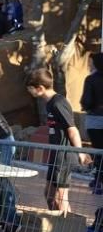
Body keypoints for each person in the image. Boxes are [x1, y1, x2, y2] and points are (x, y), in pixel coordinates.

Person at [26, 69, 91, 213]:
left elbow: (72, 129)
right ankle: (58, 226)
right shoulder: (48, 103)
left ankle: (66, 230)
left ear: (40, 88)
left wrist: (80, 153)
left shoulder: (58, 103)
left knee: (59, 197)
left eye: (30, 89)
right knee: (49, 195)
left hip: (64, 155)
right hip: (55, 155)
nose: (29, 92)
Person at [81, 53, 103, 193]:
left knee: (98, 152)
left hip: (95, 120)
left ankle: (98, 182)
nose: (89, 65)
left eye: (91, 62)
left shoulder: (91, 79)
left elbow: (87, 102)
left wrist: (85, 105)